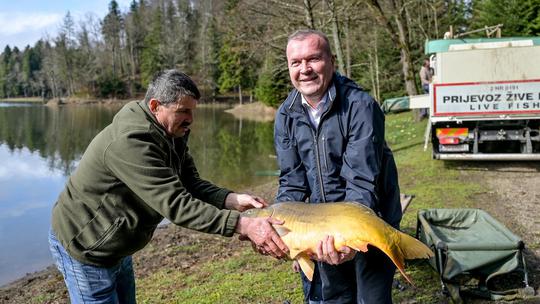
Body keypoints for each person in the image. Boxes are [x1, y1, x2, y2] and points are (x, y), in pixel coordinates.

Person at [49, 69, 288, 304]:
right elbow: (176, 205)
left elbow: (190, 183)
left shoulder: (172, 133)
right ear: (155, 106)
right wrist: (243, 225)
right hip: (87, 248)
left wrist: (232, 199)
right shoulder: (130, 143)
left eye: (193, 111)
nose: (190, 120)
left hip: (115, 244)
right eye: (183, 111)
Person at [274, 29, 402, 303]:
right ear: (289, 68)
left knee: (372, 299)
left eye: (313, 59)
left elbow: (361, 181)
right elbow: (292, 183)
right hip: (322, 228)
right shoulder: (285, 115)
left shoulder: (361, 106)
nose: (304, 70)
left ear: (332, 60)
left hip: (372, 218)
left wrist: (351, 242)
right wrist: (291, 241)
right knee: (334, 298)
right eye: (296, 63)